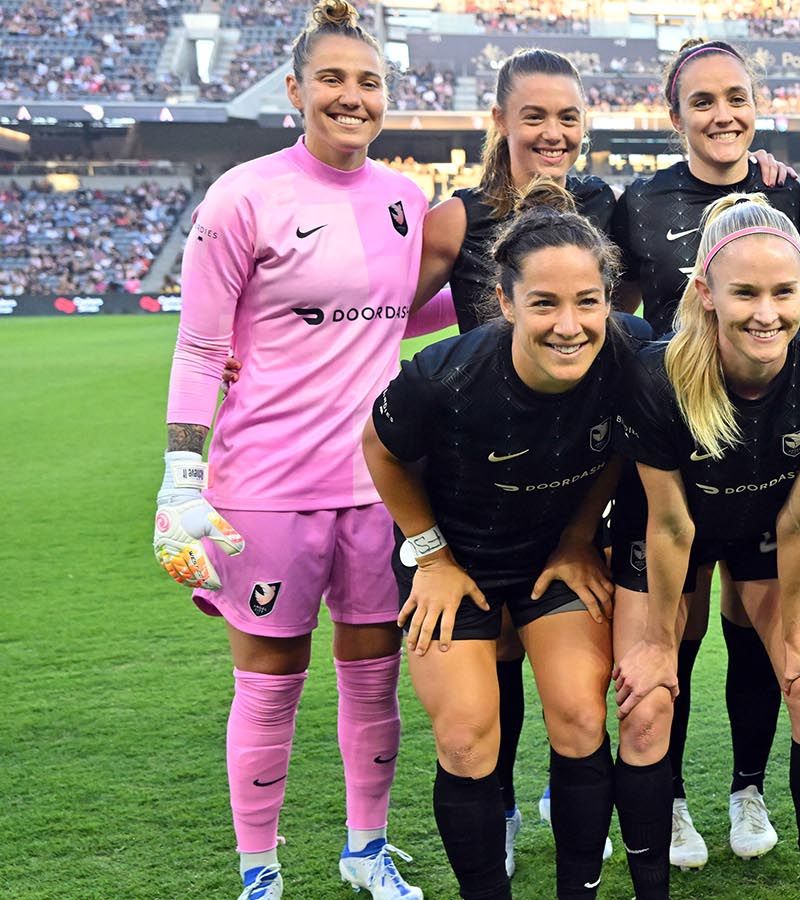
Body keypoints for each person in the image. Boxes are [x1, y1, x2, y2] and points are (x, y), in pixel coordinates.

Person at [152, 3, 425, 899]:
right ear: (296, 90)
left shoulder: (402, 200)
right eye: (335, 80)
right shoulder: (243, 194)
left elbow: (406, 314)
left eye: (370, 82)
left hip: (378, 487)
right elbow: (198, 348)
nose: (353, 97)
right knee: (270, 686)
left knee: (374, 682)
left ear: (387, 95)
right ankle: (260, 871)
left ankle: (365, 851)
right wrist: (180, 477)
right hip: (266, 489)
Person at [364, 181, 659, 900]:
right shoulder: (447, 374)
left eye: (587, 302)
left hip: (549, 558)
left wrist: (580, 537)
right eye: (545, 304)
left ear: (609, 300)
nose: (570, 324)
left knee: (584, 716)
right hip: (452, 560)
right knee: (467, 737)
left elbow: (621, 447)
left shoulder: (631, 352)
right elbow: (379, 448)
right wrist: (430, 557)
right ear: (505, 303)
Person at [610, 193, 800, 900]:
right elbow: (669, 527)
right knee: (647, 699)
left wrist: (795, 628)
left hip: (768, 531)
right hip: (667, 537)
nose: (767, 312)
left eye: (784, 292)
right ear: (707, 292)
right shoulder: (657, 374)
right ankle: (656, 855)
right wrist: (659, 641)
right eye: (746, 292)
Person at [409, 46, 619, 875]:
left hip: (565, 479)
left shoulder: (608, 207)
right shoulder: (460, 217)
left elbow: (619, 339)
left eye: (568, 116)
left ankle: (556, 815)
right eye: (533, 115)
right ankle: (492, 805)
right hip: (468, 478)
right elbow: (377, 320)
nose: (552, 132)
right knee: (484, 675)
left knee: (568, 687)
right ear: (499, 120)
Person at [610, 37, 800, 869]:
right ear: (675, 113)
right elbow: (619, 316)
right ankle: (676, 801)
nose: (722, 114)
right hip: (669, 449)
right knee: (675, 633)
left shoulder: (789, 191)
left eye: (736, 97)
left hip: (764, 449)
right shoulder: (640, 202)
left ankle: (747, 787)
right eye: (703, 100)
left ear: (755, 105)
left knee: (754, 632)